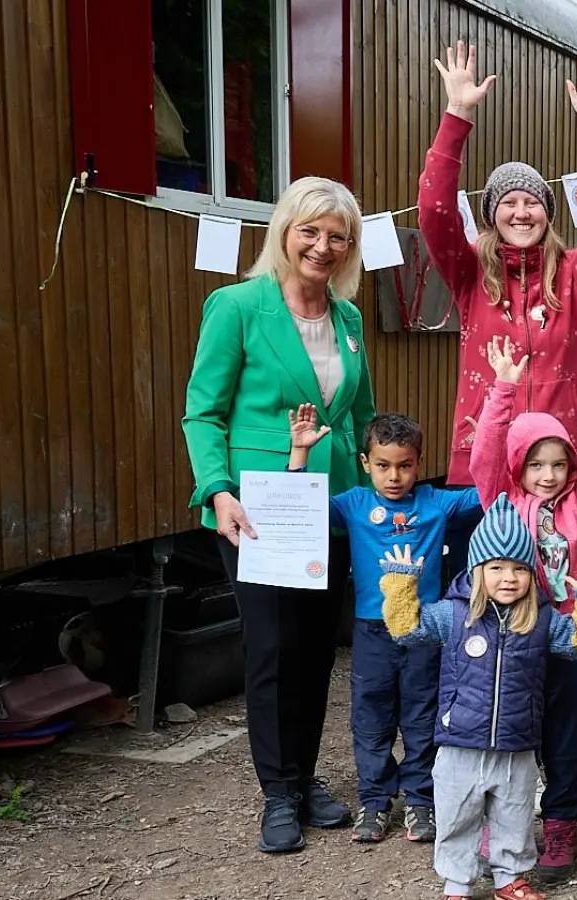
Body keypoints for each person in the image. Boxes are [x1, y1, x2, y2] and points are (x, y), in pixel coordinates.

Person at [182, 176, 373, 852]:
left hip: (334, 506)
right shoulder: (236, 307)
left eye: (337, 236)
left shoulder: (347, 319)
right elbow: (202, 412)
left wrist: (378, 493)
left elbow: (362, 416)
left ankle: (304, 776)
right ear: (286, 233)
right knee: (271, 647)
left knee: (319, 649)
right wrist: (216, 490)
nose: (322, 246)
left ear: (350, 247)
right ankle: (276, 794)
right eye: (311, 232)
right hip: (259, 510)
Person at [417, 42, 577, 485]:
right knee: (492, 559)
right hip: (486, 451)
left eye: (533, 202)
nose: (522, 212)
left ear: (548, 215)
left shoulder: (575, 273)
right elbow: (434, 211)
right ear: (492, 215)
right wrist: (456, 114)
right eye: (509, 202)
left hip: (557, 457)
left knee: (559, 557)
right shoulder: (470, 273)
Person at [378, 496, 577, 900]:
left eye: (520, 568)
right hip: (459, 742)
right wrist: (400, 585)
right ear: (477, 571)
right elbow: (406, 630)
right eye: (497, 568)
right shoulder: (453, 615)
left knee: (514, 814)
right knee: (457, 814)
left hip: (518, 742)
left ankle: (510, 878)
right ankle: (457, 883)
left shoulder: (541, 619)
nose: (509, 577)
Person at [469, 336, 577, 879]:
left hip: (561, 632)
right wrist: (504, 389)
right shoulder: (501, 498)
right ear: (520, 465)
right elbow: (485, 451)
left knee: (563, 732)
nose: (548, 474)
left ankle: (561, 823)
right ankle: (504, 823)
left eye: (559, 463)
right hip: (510, 634)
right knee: (509, 732)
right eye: (536, 464)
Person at [286, 408, 476, 846]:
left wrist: (488, 440)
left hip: (424, 632)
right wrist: (299, 452)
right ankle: (374, 801)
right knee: (370, 719)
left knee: (422, 716)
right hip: (371, 633)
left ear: (419, 462)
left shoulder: (435, 502)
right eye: (384, 465)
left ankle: (421, 801)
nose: (395, 477)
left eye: (405, 465)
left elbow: (491, 493)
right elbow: (297, 509)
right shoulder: (353, 503)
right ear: (365, 462)